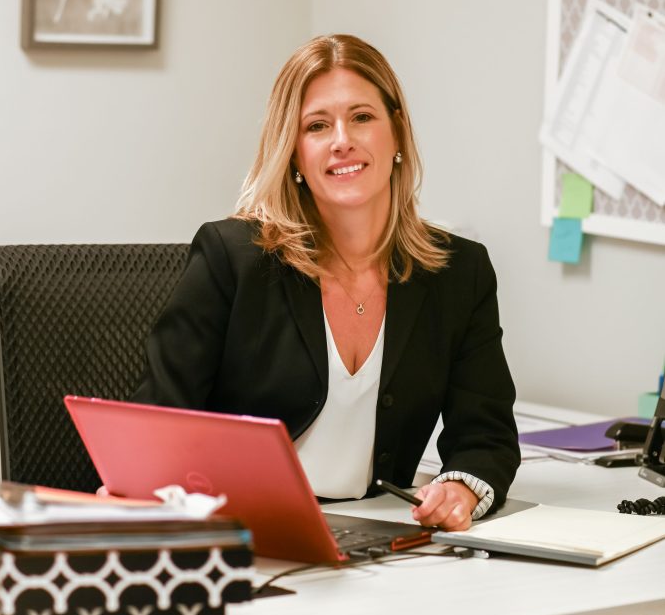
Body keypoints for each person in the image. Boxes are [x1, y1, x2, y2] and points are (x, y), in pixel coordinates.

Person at [135, 34, 519, 532]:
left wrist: (462, 486)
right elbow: (157, 425)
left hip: (380, 541)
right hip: (240, 536)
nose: (343, 140)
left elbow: (485, 434)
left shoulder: (458, 272)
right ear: (294, 154)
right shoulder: (232, 259)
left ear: (397, 132)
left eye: (362, 117)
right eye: (317, 126)